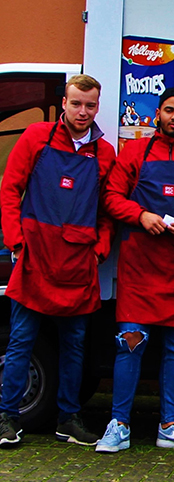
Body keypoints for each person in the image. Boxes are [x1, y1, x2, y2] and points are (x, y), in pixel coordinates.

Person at [95, 87, 174, 453]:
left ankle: (170, 425)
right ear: (158, 114)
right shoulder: (135, 152)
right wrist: (140, 215)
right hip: (140, 266)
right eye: (169, 110)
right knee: (130, 344)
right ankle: (118, 425)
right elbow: (111, 197)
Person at [0, 74, 116, 446]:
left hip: (78, 264)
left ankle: (68, 418)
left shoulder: (105, 153)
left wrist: (99, 249)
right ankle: (6, 417)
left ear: (97, 107)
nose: (83, 111)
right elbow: (10, 189)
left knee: (74, 346)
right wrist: (16, 241)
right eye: (76, 103)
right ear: (64, 103)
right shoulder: (36, 137)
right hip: (34, 258)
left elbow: (107, 212)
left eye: (90, 105)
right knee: (21, 341)